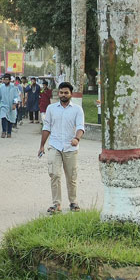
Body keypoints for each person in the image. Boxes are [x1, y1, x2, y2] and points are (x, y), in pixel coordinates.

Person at [38, 82, 85, 214]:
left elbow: (81, 127)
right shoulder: (51, 108)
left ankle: (73, 202)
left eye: (66, 93)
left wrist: (77, 138)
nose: (63, 95)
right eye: (61, 92)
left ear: (71, 94)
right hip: (55, 146)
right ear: (58, 93)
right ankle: (56, 204)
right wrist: (42, 145)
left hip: (71, 147)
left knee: (71, 176)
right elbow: (46, 127)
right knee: (54, 174)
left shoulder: (77, 109)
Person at [0, 74, 20, 138]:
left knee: (11, 119)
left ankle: (9, 132)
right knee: (3, 117)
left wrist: (14, 104)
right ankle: (4, 131)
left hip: (11, 105)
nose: (5, 81)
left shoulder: (14, 87)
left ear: (9, 80)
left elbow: (16, 96)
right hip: (3, 105)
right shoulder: (1, 87)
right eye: (4, 79)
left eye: (7, 80)